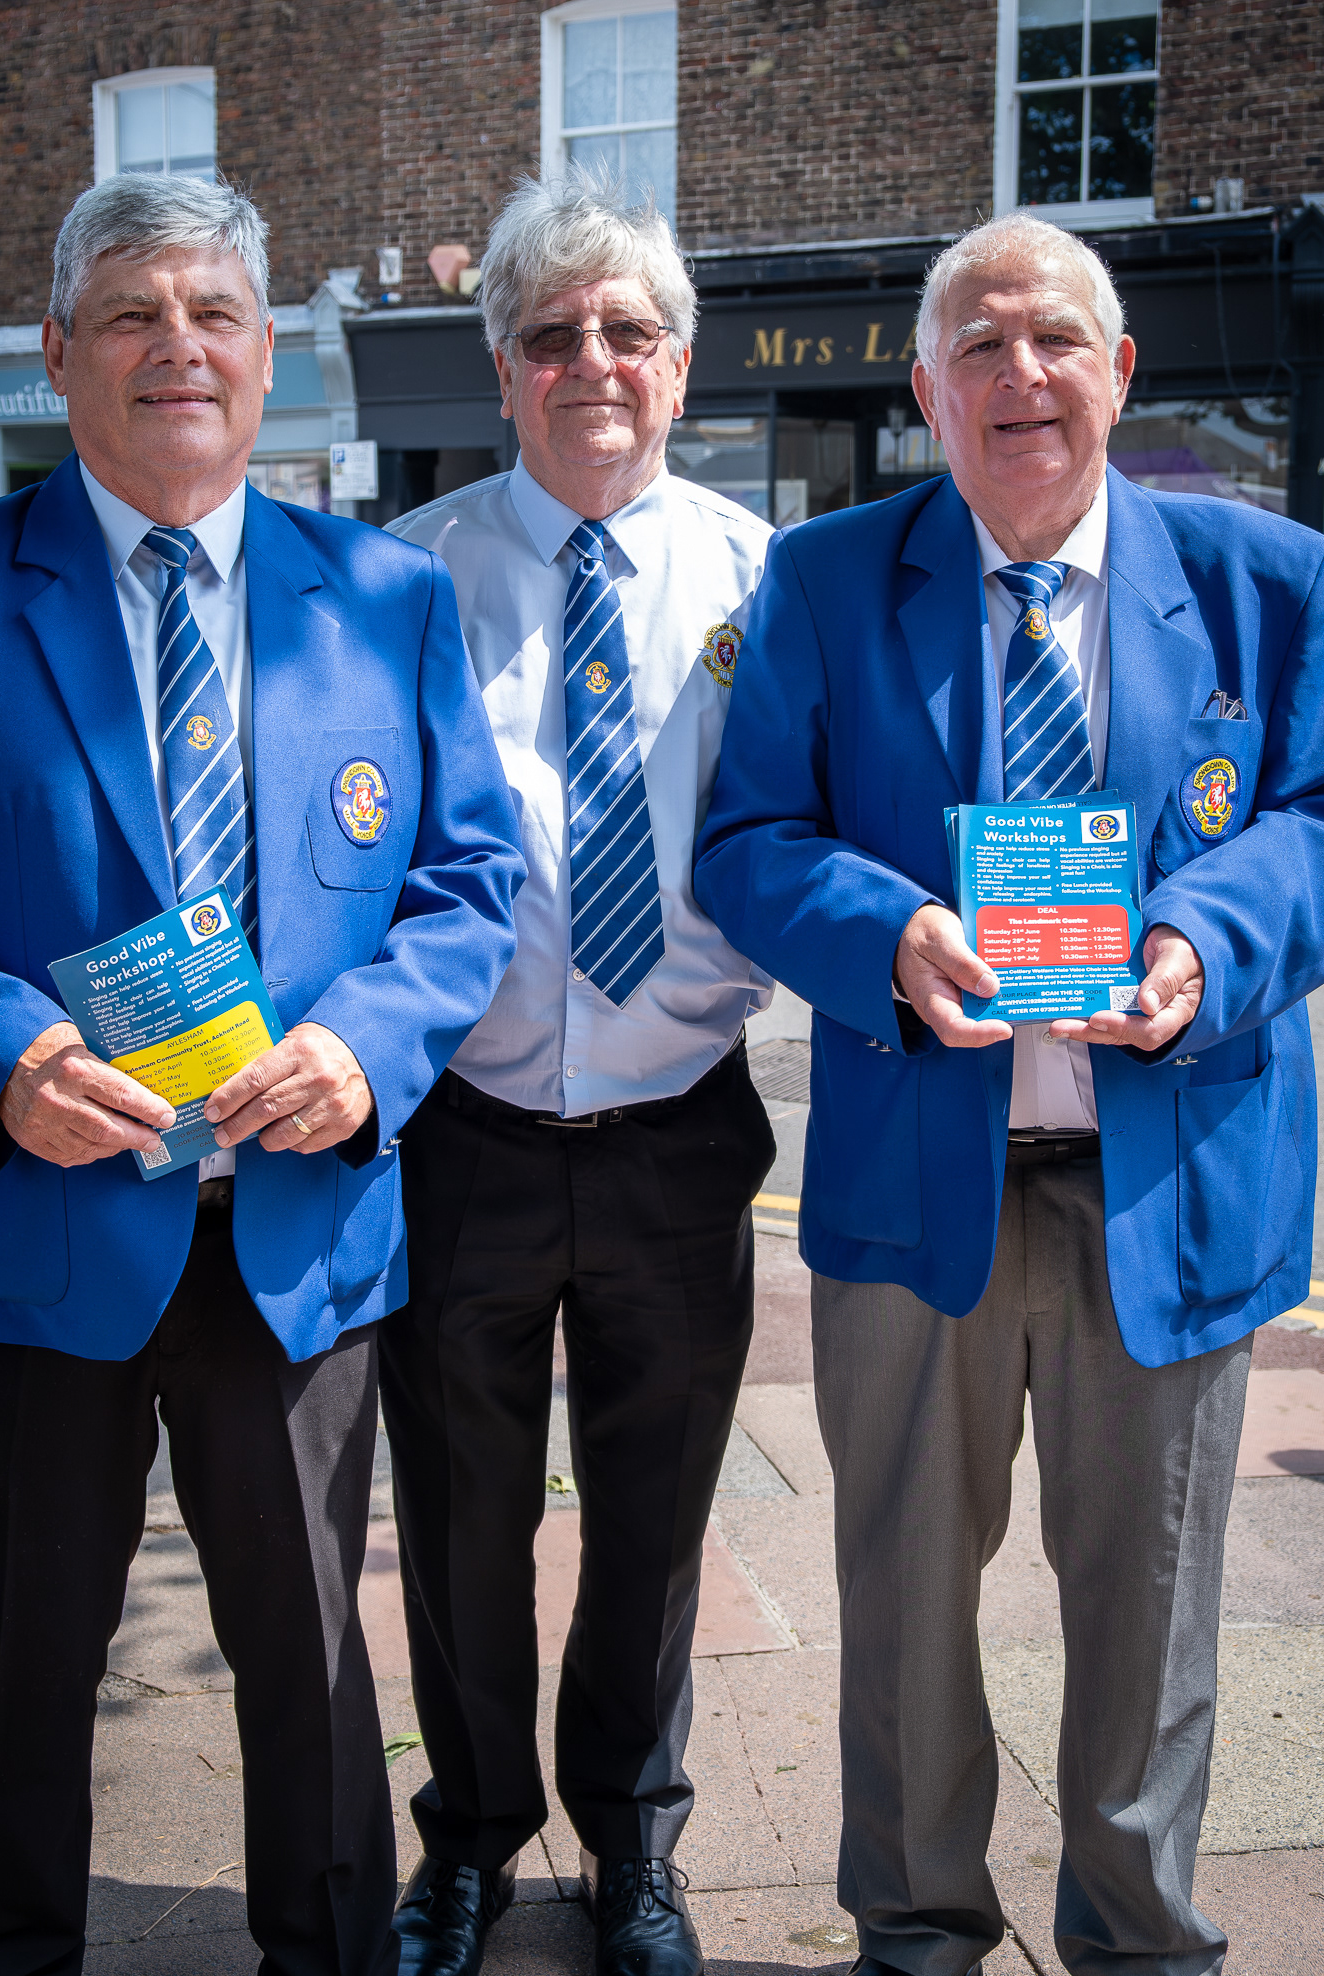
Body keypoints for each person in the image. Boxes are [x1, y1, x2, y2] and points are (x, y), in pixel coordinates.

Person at [0, 174, 523, 1976]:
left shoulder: (382, 594)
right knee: (18, 1666)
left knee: (311, 1660)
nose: (178, 348)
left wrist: (365, 1049)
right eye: (133, 315)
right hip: (28, 1233)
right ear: (57, 354)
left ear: (269, 356)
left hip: (292, 1224)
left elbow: (467, 881)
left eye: (213, 314)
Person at [695, 212, 1324, 1976]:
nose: (1018, 375)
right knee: (899, 1601)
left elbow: (1319, 818)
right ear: (922, 388)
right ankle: (912, 1931)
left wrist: (1206, 939)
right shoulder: (826, 581)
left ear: (1119, 372)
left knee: (1146, 1608)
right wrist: (884, 932)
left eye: (1053, 339)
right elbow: (746, 845)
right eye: (976, 345)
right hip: (922, 1173)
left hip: (1170, 1177)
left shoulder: (1270, 582)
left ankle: (1137, 1942)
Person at [379, 173, 778, 1976]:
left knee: (652, 1524)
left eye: (627, 332)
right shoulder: (401, 586)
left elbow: (809, 830)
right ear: (500, 367)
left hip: (680, 1133)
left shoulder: (771, 579)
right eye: (552, 336)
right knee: (457, 1518)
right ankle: (463, 1843)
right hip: (455, 1134)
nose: (591, 362)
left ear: (679, 367)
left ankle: (632, 1847)